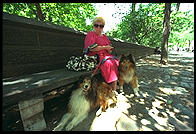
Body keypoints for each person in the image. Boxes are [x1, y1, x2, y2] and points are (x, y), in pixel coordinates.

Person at [83, 17, 119, 91]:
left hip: (106, 56)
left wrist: (109, 49)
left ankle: (113, 87)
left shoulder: (105, 36)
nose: (98, 28)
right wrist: (105, 47)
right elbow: (91, 48)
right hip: (96, 57)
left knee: (116, 61)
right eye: (96, 25)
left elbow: (110, 50)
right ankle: (112, 88)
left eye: (101, 26)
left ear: (103, 27)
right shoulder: (91, 34)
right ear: (93, 25)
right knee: (109, 63)